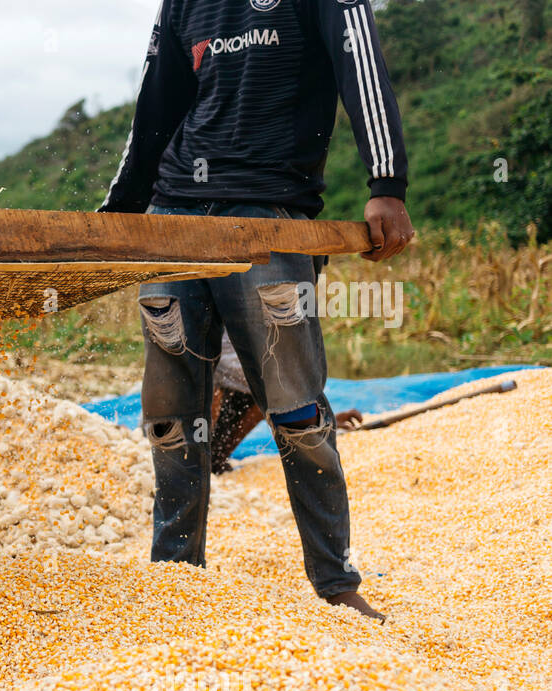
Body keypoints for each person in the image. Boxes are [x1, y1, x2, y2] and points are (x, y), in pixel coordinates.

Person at [100, 0, 414, 621]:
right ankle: (175, 578)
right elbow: (157, 100)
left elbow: (362, 66)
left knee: (298, 410)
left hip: (269, 220)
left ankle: (335, 582)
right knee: (171, 414)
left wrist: (386, 183)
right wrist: (122, 211)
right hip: (174, 218)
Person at [210, 332, 362, 473]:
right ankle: (199, 455)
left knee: (271, 388)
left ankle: (215, 457)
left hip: (242, 381)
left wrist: (322, 420)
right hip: (213, 375)